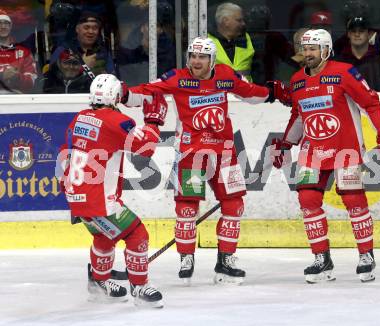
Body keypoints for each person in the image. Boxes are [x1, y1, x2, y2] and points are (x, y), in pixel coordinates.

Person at [122, 37, 277, 285]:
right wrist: (125, 93)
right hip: (190, 153)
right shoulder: (178, 77)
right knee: (186, 207)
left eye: (202, 57)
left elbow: (249, 93)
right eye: (193, 55)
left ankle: (226, 259)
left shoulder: (225, 75)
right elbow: (149, 91)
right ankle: (186, 258)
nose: (196, 61)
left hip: (224, 151)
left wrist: (271, 93)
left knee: (234, 205)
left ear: (212, 59)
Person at [270, 29, 380, 283]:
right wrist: (286, 143)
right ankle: (321, 258)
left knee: (354, 201)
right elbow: (298, 115)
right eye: (305, 49)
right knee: (307, 199)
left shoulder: (345, 72)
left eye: (313, 48)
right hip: (312, 151)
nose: (308, 53)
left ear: (326, 50)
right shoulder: (297, 80)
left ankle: (366, 256)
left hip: (345, 149)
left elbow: (370, 103)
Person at [57, 74, 167, 307]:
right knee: (137, 235)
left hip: (75, 195)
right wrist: (154, 121)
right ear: (116, 96)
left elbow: (65, 152)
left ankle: (99, 283)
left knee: (103, 236)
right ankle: (139, 287)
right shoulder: (116, 121)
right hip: (99, 201)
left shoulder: (80, 118)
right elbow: (145, 148)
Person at [50, 11, 115, 78]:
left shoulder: (103, 51)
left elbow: (113, 77)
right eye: (86, 28)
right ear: (77, 29)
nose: (91, 31)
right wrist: (83, 67)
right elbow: (53, 80)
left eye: (95, 28)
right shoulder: (62, 50)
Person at [336, 16, 380, 91]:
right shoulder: (339, 62)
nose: (357, 34)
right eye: (353, 31)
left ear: (369, 34)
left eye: (361, 31)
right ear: (348, 34)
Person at [208, 2, 255, 82]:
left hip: (245, 92)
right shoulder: (205, 40)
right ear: (225, 21)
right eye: (239, 20)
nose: (243, 24)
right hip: (217, 93)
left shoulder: (247, 38)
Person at [0, 9, 37, 94]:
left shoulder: (24, 52)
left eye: (6, 23)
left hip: (17, 100)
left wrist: (16, 77)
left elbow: (31, 83)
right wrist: (2, 76)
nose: (3, 26)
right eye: (0, 23)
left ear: (10, 27)